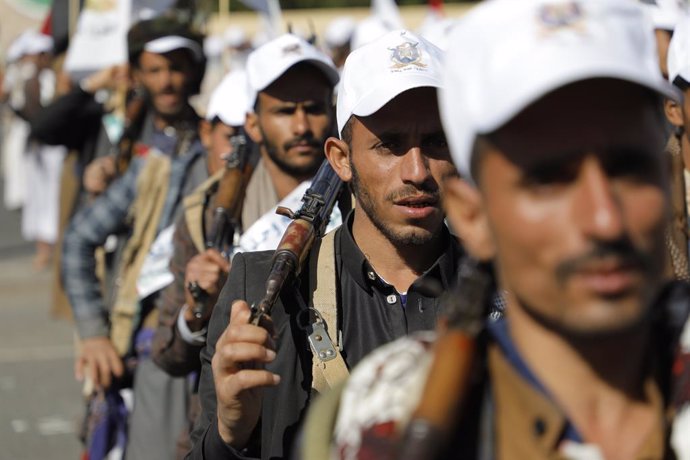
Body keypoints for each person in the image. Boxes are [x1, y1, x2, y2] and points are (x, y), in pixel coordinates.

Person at [303, 1, 690, 459]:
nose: (604, 219)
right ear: (473, 215)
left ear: (668, 184)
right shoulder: (393, 411)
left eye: (629, 168)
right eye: (548, 180)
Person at [187, 29, 461, 460]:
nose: (417, 171)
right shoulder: (265, 292)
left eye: (436, 142)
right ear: (341, 159)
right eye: (389, 145)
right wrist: (230, 433)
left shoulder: (513, 290)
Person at [61, 14, 208, 460]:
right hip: (145, 335)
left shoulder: (210, 140)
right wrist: (92, 332)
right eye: (155, 68)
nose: (167, 81)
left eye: (177, 67)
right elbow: (79, 239)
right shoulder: (118, 131)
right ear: (136, 72)